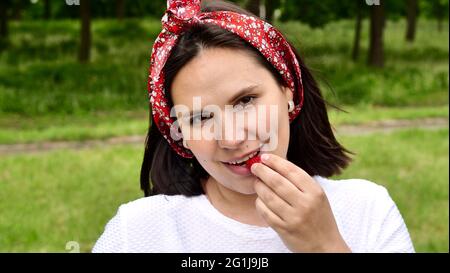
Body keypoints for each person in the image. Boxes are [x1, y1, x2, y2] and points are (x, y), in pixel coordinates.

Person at [92, 0, 415, 253]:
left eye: (245, 101)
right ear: (179, 135)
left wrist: (324, 247)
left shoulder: (367, 210)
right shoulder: (135, 233)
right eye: (200, 117)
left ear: (289, 91)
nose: (232, 138)